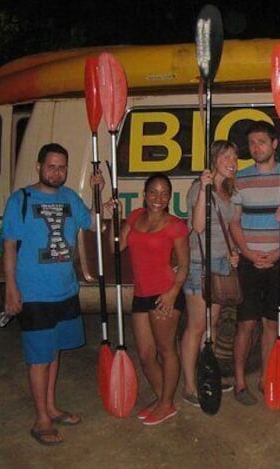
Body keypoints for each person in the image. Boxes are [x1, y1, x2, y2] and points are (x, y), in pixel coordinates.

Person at [1, 143, 102, 445]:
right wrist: (11, 288)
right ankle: (41, 419)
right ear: (39, 166)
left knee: (54, 351)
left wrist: (99, 194)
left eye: (62, 167)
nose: (57, 172)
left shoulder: (70, 197)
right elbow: (8, 246)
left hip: (65, 291)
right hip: (33, 293)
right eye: (52, 166)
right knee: (38, 358)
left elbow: (92, 222)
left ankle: (52, 407)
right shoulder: (20, 199)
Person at [229, 121, 280, 405]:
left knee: (272, 324)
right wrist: (246, 253)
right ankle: (240, 381)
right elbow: (234, 222)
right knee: (245, 325)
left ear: (274, 144)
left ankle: (265, 376)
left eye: (261, 142)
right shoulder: (240, 179)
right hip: (248, 263)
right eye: (252, 143)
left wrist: (278, 251)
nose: (256, 148)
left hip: (278, 262)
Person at [117, 173, 189, 426]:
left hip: (165, 295)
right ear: (144, 194)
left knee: (166, 350)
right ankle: (163, 400)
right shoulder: (136, 216)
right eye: (153, 192)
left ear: (169, 197)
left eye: (164, 193)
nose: (158, 198)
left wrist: (172, 293)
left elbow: (184, 265)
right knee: (146, 355)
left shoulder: (175, 225)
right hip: (141, 294)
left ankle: (166, 403)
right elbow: (117, 246)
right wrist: (110, 215)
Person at [180, 140, 240, 407]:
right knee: (196, 326)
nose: (232, 161)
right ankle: (190, 385)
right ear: (214, 159)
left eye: (234, 157)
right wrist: (204, 187)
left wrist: (233, 251)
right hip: (198, 263)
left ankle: (208, 372)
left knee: (211, 326)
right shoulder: (199, 188)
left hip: (220, 263)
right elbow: (197, 227)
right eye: (226, 156)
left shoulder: (227, 190)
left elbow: (226, 229)